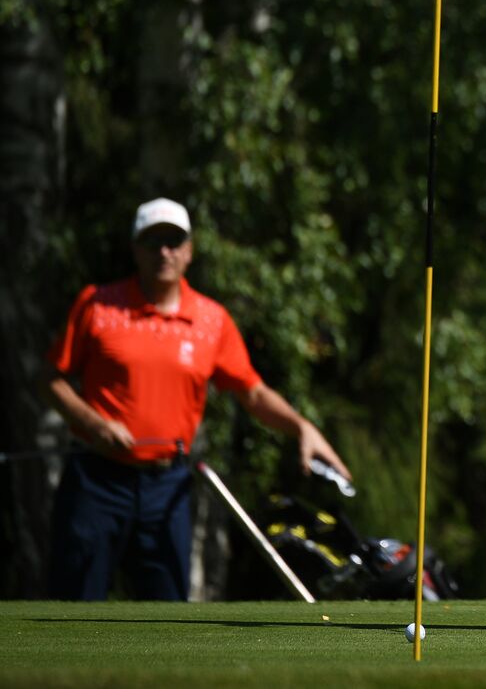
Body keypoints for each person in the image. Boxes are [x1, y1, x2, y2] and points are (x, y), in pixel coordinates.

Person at [43, 197, 352, 601]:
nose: (164, 252)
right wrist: (95, 424)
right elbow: (52, 380)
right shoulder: (97, 304)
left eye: (174, 242)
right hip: (96, 480)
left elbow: (253, 392)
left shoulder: (211, 320)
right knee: (74, 607)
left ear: (189, 251)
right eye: (153, 242)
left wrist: (302, 427)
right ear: (135, 248)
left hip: (166, 486)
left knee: (168, 610)